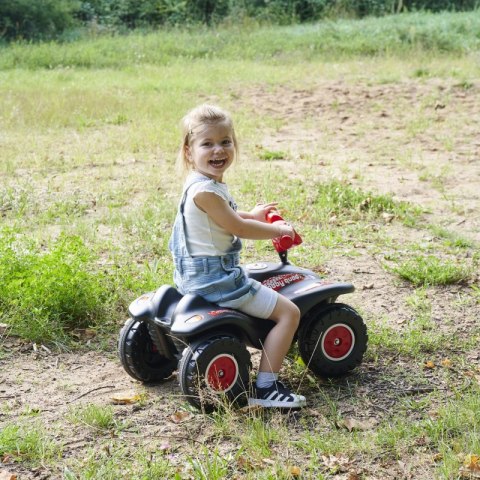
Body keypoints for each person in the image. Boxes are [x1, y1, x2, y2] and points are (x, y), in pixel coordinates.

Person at [168, 104, 306, 409]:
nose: (218, 150)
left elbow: (225, 216)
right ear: (189, 151)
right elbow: (238, 228)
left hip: (192, 276)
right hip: (217, 281)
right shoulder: (206, 191)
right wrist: (278, 230)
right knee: (289, 313)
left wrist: (253, 215)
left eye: (225, 141)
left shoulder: (198, 183)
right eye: (207, 143)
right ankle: (267, 387)